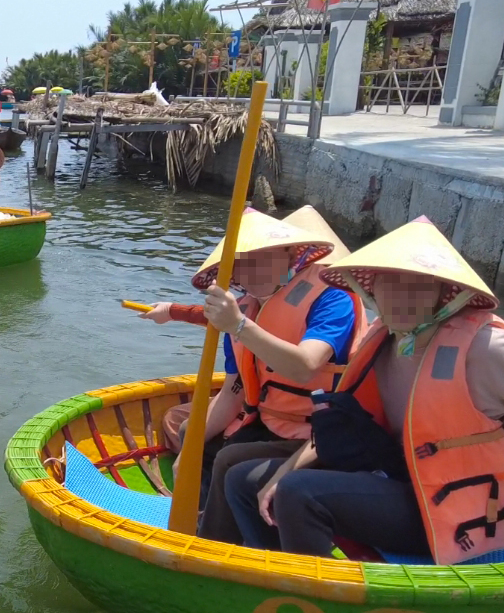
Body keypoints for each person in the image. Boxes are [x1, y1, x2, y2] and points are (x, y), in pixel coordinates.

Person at [224, 217, 504, 563]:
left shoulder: (485, 348)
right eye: (389, 284)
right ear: (372, 290)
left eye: (416, 286)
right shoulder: (385, 341)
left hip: (459, 510)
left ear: (445, 294)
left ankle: (311, 591)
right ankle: (267, 574)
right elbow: (343, 422)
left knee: (300, 492)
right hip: (398, 481)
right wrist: (283, 473)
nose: (399, 297)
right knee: (245, 479)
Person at [159, 208, 364, 543]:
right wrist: (189, 448)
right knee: (191, 435)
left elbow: (306, 366)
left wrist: (239, 325)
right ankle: (203, 523)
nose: (249, 269)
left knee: (231, 462)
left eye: (261, 257)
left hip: (320, 431)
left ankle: (214, 543)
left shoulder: (331, 298)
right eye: (240, 262)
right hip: (270, 421)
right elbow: (234, 389)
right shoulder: (246, 307)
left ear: (290, 255)